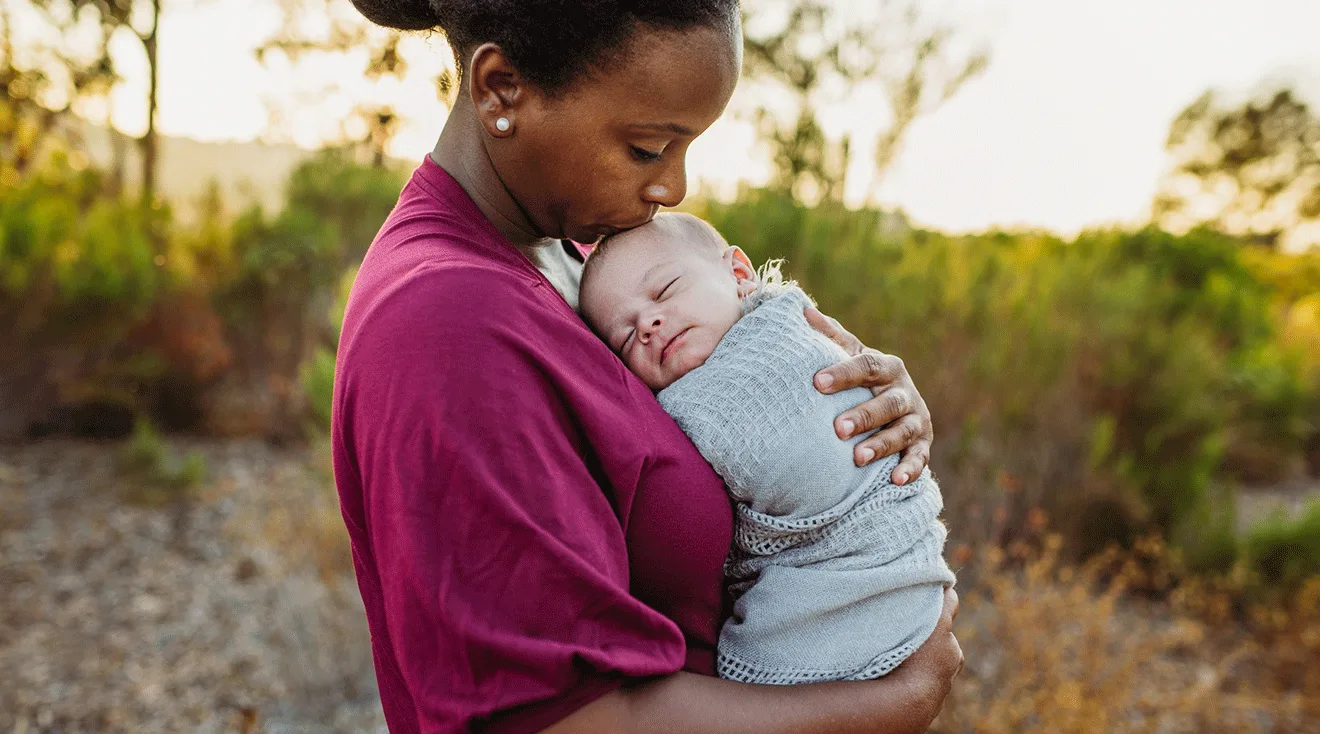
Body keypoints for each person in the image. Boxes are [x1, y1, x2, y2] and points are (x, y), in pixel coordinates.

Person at [333, 1, 963, 732]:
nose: (673, 188)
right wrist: (892, 705)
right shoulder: (445, 322)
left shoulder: (575, 262)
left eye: (686, 147)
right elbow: (558, 721)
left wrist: (855, 407)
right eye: (646, 148)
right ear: (502, 87)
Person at [579, 213, 957, 686]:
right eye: (627, 337)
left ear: (739, 274)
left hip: (874, 566)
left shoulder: (784, 334)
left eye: (665, 291)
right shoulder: (684, 389)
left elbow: (809, 443)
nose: (649, 323)